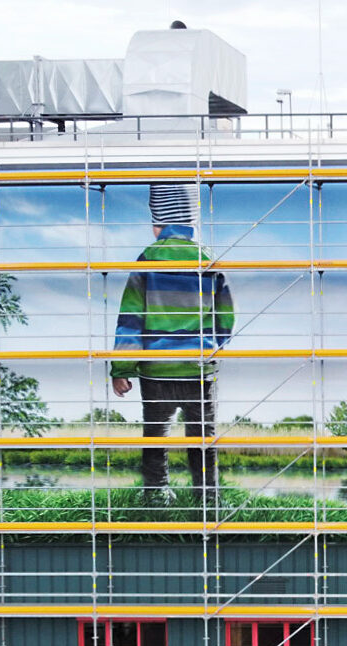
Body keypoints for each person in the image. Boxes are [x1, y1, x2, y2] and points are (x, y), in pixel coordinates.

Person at [111, 184, 234, 503]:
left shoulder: (147, 260)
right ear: (191, 223)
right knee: (202, 437)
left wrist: (121, 368)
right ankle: (207, 495)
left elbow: (131, 319)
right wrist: (212, 348)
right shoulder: (206, 260)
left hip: (156, 372)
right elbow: (226, 315)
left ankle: (157, 492)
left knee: (155, 436)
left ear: (157, 224)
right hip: (198, 371)